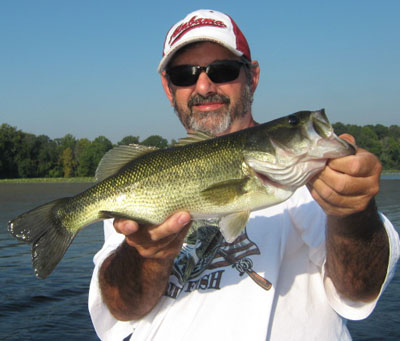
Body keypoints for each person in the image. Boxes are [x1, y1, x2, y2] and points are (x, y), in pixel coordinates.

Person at [88, 9, 399, 340]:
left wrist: (353, 216)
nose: (204, 85)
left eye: (222, 70)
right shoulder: (141, 186)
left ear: (253, 76)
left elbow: (358, 291)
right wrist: (145, 256)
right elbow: (121, 309)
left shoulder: (315, 179)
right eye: (185, 75)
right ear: (169, 89)